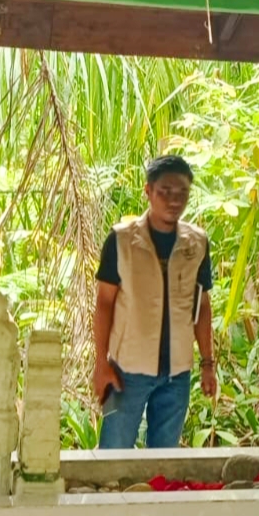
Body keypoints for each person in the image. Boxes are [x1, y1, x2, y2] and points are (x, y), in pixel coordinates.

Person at [93, 155, 217, 449]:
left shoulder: (196, 243)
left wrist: (208, 363)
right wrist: (101, 363)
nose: (174, 200)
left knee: (163, 461)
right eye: (165, 191)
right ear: (148, 191)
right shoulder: (121, 241)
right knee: (114, 452)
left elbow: (202, 306)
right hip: (125, 371)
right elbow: (104, 303)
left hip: (177, 375)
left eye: (182, 193)